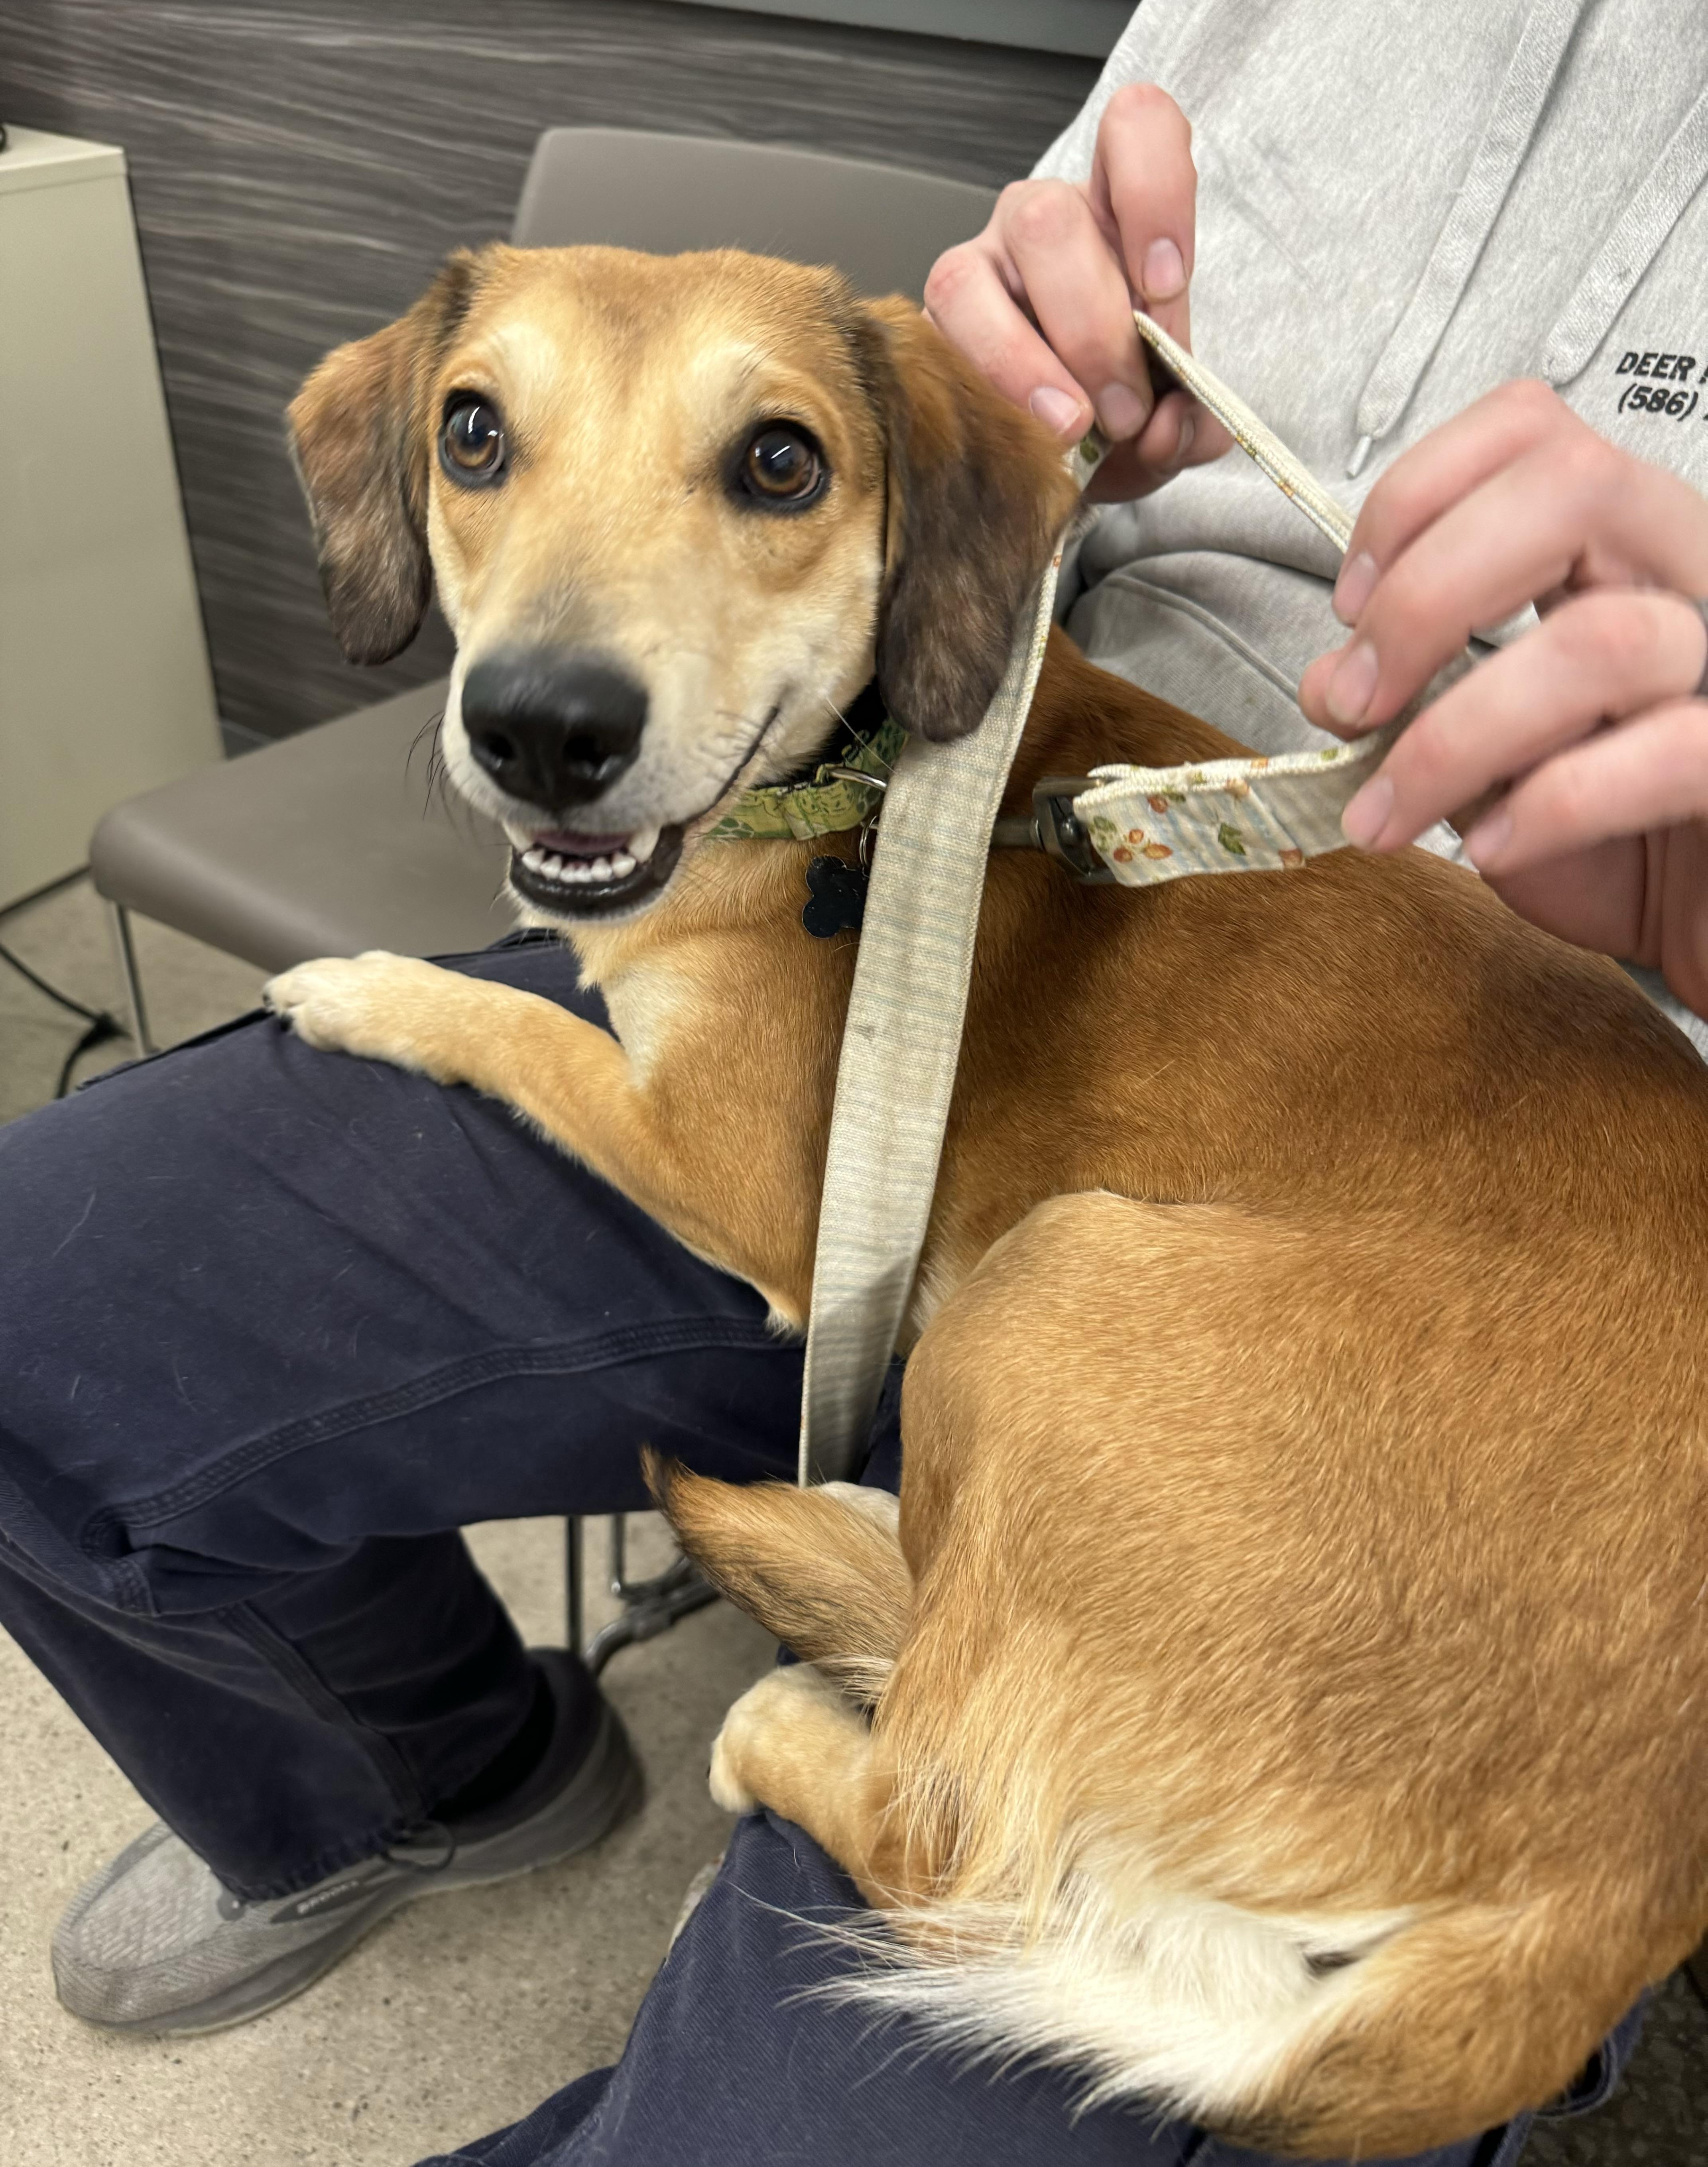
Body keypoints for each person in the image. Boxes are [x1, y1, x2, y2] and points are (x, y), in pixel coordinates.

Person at [2, 2, 1705, 2160]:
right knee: (38, 1296)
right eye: (479, 443)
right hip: (917, 865)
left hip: (1487, 1321)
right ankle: (419, 1777)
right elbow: (986, 463)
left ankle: (928, 1750)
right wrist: (1038, 387)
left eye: (764, 458)